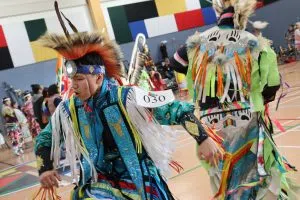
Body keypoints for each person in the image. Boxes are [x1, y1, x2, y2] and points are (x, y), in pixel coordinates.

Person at [34, 3, 222, 199]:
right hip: (98, 184)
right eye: (72, 79)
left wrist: (203, 138)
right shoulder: (69, 109)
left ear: (99, 78)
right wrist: (45, 168)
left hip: (139, 182)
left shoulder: (128, 98)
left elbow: (177, 109)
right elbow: (45, 138)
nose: (74, 86)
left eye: (80, 79)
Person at [169, 0, 298, 199]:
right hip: (248, 118)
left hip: (212, 125)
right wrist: (262, 98)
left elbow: (176, 62)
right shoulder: (252, 40)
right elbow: (272, 83)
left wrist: (205, 74)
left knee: (223, 175)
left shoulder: (198, 41)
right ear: (241, 17)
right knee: (257, 173)